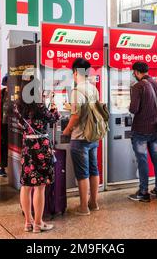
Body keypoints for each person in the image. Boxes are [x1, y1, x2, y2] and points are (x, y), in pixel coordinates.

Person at [16, 82, 60, 233]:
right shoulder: (40, 107)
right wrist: (54, 108)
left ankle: (28, 222)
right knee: (40, 187)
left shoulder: (18, 107)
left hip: (27, 147)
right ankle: (38, 223)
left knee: (26, 186)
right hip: (41, 146)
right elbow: (53, 118)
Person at [63, 58, 100, 216]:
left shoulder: (77, 91)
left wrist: (67, 129)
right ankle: (94, 203)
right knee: (94, 170)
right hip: (93, 136)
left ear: (76, 72)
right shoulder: (94, 89)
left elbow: (76, 115)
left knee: (82, 173)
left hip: (80, 137)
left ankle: (84, 207)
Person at [128, 62, 157, 202]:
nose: (134, 75)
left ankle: (143, 192)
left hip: (141, 131)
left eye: (134, 73)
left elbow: (133, 109)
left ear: (137, 72)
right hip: (155, 130)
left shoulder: (138, 86)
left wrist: (129, 105)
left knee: (142, 160)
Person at [0, 74, 9, 177]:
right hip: (3, 124)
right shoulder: (1, 93)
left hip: (12, 124)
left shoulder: (15, 93)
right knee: (3, 145)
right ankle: (2, 167)